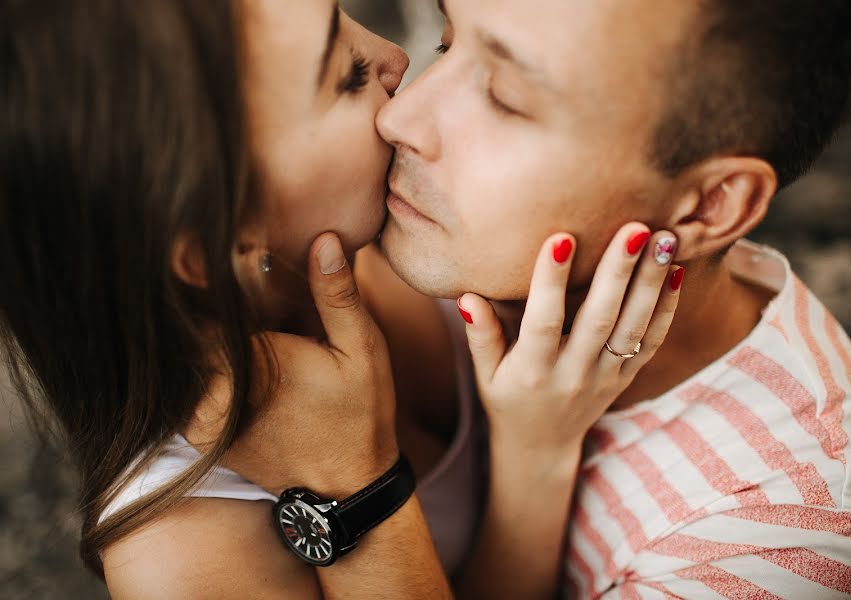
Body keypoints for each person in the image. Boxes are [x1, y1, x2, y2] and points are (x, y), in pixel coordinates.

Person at [0, 0, 679, 598]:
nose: (395, 61)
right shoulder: (184, 553)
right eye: (347, 77)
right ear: (216, 244)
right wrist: (360, 493)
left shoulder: (380, 239)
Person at [361, 0, 851, 597]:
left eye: (506, 98)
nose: (400, 116)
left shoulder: (790, 531)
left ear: (709, 205)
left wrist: (531, 459)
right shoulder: (452, 246)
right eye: (445, 42)